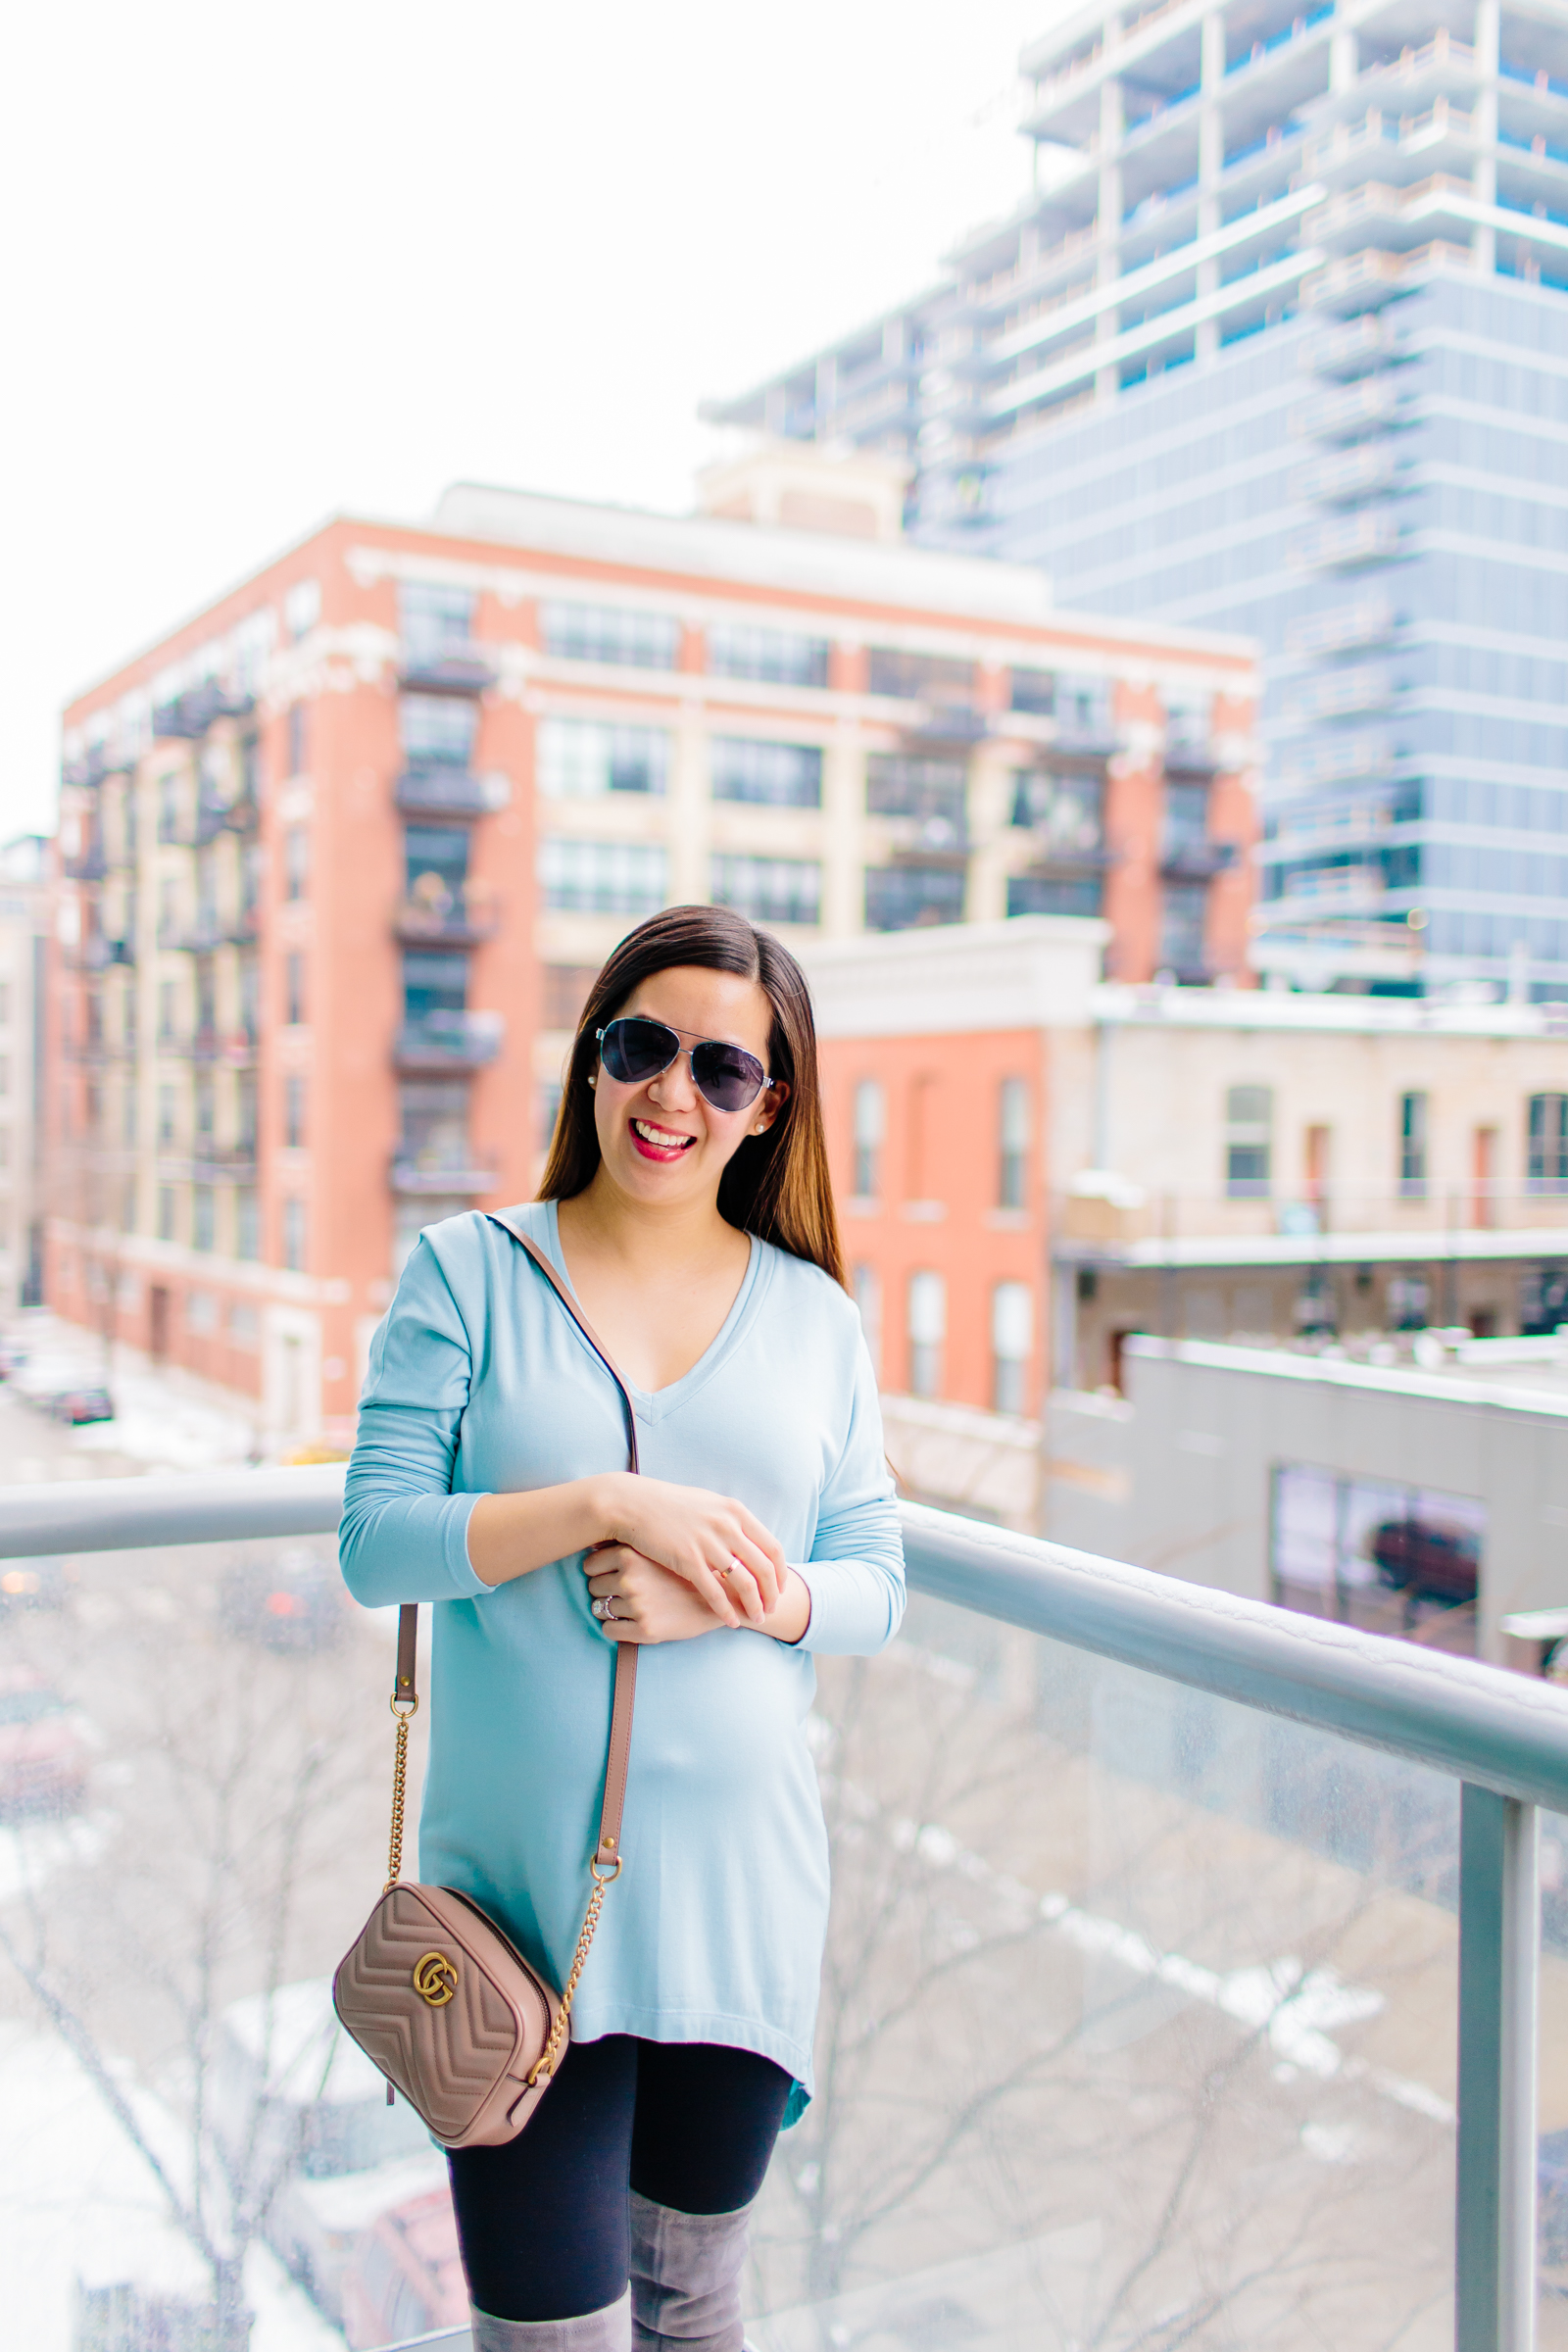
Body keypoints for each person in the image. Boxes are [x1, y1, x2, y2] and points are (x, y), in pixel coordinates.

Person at [339, 905, 905, 2352]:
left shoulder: (815, 1316)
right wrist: (610, 1506)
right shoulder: (468, 1271)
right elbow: (376, 1541)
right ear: (592, 1059)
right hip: (522, 1928)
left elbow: (872, 1585)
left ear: (768, 1107)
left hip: (743, 1903)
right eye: (644, 1047)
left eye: (723, 1069)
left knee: (698, 2310)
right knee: (550, 2337)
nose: (673, 1093)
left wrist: (745, 1593)